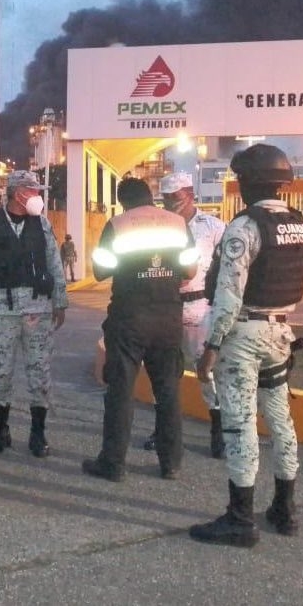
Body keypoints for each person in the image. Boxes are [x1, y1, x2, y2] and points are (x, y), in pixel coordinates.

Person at [189, 143, 303, 548]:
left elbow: (228, 295)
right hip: (281, 332)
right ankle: (285, 508)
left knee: (240, 422)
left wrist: (212, 345)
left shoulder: (244, 226)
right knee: (280, 421)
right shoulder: (300, 223)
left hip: (243, 335)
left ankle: (240, 519)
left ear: (248, 182)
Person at [82, 177, 198, 482]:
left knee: (120, 391)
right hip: (168, 317)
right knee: (168, 391)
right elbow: (190, 270)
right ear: (151, 197)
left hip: (129, 318)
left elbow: (100, 269)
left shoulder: (118, 224)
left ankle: (113, 463)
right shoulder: (176, 223)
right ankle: (170, 463)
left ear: (123, 201)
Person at [0, 170, 68, 458]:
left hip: (38, 310)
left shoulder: (42, 224)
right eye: (32, 190)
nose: (37, 195)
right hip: (2, 310)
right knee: (1, 372)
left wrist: (61, 301)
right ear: (18, 193)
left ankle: (38, 432)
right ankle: (1, 431)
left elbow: (55, 264)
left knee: (39, 373)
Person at [143, 172, 226, 458]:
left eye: (175, 197)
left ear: (189, 193)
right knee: (164, 373)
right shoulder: (156, 226)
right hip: (165, 307)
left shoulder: (214, 227)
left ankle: (218, 433)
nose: (170, 203)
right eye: (165, 198)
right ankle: (162, 430)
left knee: (207, 372)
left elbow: (227, 268)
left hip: (201, 308)